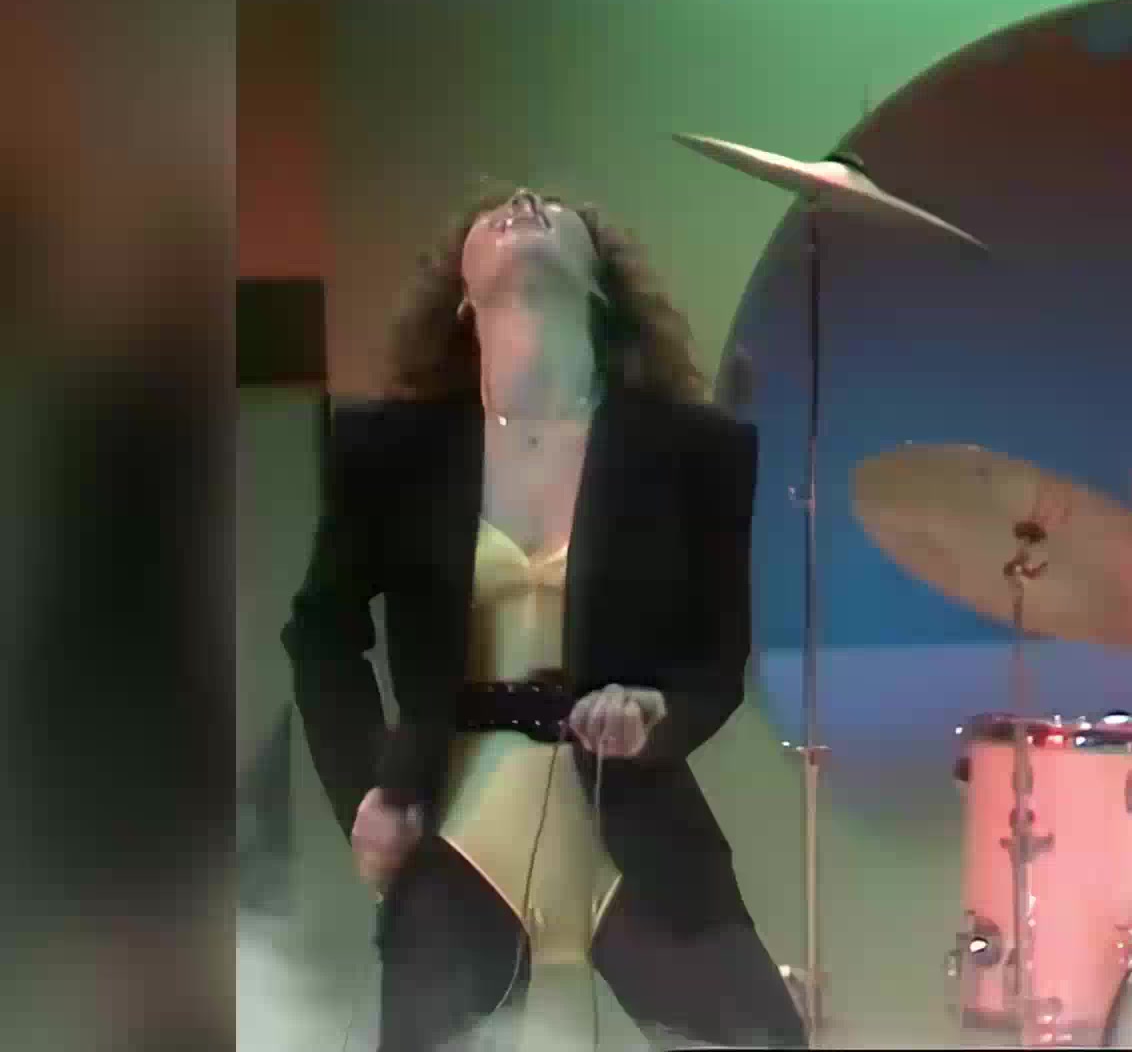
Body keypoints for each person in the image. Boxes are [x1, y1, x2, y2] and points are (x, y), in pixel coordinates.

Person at [282, 187, 806, 1050]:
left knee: (765, 1040)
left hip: (631, 821)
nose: (523, 203)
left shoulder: (696, 451)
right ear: (464, 297)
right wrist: (366, 790)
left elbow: (716, 660)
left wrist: (653, 712)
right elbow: (320, 636)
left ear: (597, 284)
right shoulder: (389, 450)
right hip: (456, 824)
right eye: (493, 212)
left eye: (556, 212)